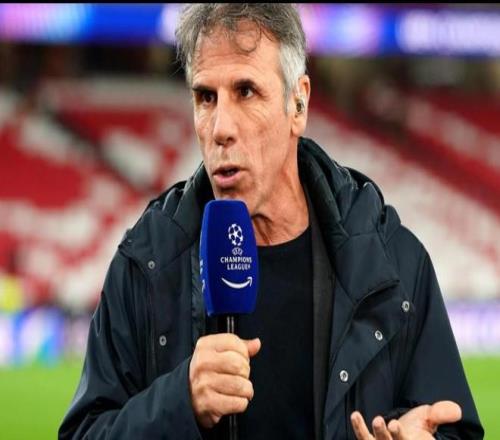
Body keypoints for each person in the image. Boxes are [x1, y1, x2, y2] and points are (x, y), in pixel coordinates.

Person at [59, 4, 483, 439]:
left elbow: (452, 427)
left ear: (298, 104)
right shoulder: (148, 262)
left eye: (245, 92)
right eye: (206, 97)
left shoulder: (392, 261)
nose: (220, 128)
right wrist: (178, 402)